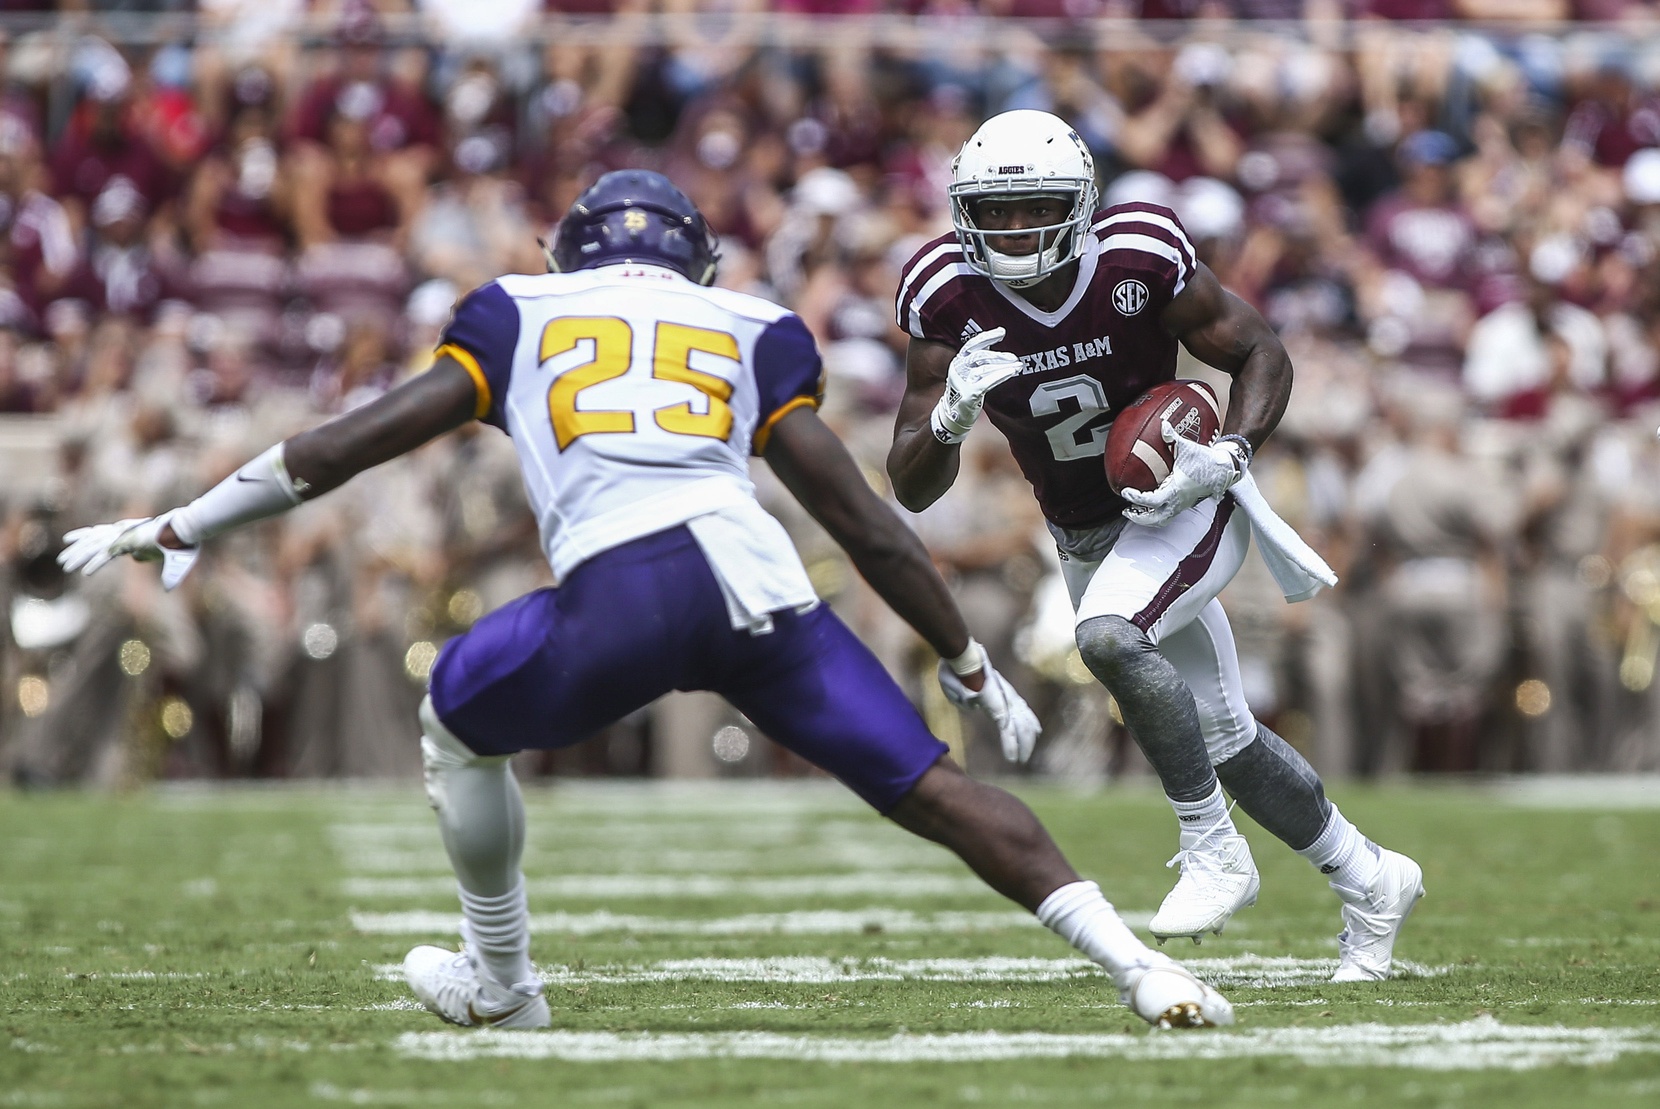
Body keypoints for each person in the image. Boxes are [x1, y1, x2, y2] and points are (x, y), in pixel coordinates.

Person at [59, 170, 1232, 1031]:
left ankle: (503, 979)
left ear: (566, 252)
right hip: (758, 586)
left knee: (456, 725)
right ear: (697, 262)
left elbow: (339, 447)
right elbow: (861, 516)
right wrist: (965, 655)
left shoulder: (516, 311)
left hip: (622, 585)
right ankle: (1144, 969)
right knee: (932, 787)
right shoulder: (752, 324)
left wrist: (181, 522)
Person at [888, 110, 1423, 982]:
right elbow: (910, 482)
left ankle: (1213, 846)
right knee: (1227, 736)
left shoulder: (1137, 254)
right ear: (962, 210)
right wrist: (947, 419)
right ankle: (1372, 879)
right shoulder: (946, 289)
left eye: (1038, 208)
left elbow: (1260, 351)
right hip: (1082, 528)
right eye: (997, 210)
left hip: (1182, 497)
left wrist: (1230, 455)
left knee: (1105, 636)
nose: (1017, 230)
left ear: (1082, 204)